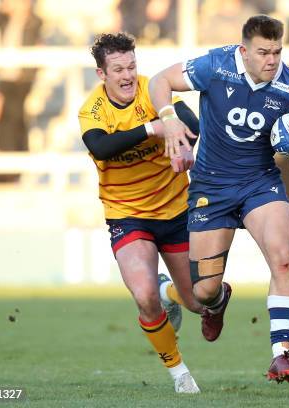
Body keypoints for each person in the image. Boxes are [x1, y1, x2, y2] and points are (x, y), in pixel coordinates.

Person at [149, 15, 289, 384]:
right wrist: (168, 118)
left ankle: (281, 355)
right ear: (244, 51)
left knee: (282, 260)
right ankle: (217, 302)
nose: (272, 60)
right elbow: (159, 80)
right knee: (203, 292)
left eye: (277, 51)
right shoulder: (216, 65)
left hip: (260, 183)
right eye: (263, 52)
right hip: (211, 188)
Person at [77, 32, 206, 394]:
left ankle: (173, 295)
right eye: (118, 69)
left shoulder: (155, 92)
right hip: (128, 215)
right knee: (144, 296)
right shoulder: (92, 110)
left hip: (176, 210)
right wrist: (153, 129)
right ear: (102, 74)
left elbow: (191, 125)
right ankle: (180, 374)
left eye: (132, 66)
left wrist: (185, 145)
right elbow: (101, 147)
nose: (128, 75)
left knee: (200, 302)